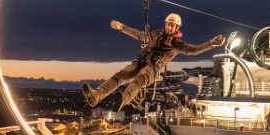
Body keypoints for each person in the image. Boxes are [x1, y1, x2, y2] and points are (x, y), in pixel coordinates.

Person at [82, 14, 225, 111]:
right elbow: (139, 34)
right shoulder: (155, 35)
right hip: (141, 61)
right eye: (168, 24)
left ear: (176, 29)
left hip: (152, 68)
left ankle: (124, 99)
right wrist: (121, 27)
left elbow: (193, 50)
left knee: (139, 80)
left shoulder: (176, 44)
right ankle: (96, 95)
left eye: (172, 26)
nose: (169, 27)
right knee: (120, 75)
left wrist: (211, 43)